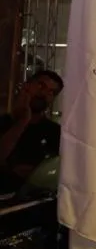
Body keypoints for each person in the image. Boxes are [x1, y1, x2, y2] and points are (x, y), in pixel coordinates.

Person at [0, 69, 63, 197]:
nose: (44, 93)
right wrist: (23, 120)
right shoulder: (3, 123)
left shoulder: (55, 133)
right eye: (41, 86)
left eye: (51, 92)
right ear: (26, 85)